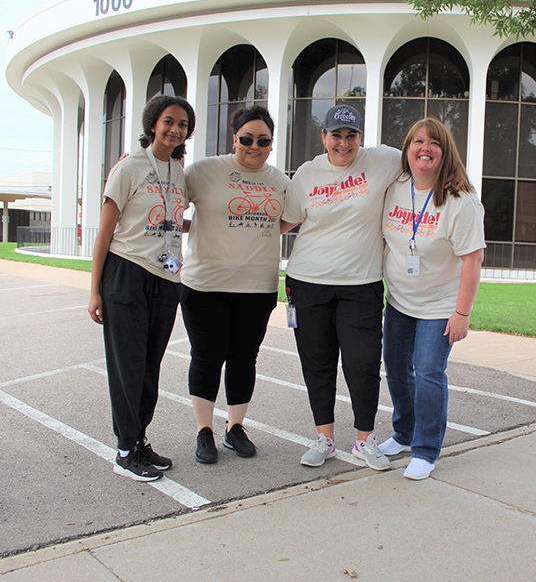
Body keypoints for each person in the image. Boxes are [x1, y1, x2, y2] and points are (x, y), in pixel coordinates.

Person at [281, 104, 403, 470]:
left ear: (360, 137)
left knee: (363, 362)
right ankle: (325, 438)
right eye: (336, 135)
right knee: (317, 362)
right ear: (324, 137)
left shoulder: (383, 160)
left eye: (351, 136)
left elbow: (424, 158)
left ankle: (365, 440)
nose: (344, 143)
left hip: (361, 283)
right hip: (308, 282)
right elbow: (285, 222)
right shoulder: (306, 174)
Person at [88, 95, 196, 482]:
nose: (175, 129)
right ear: (153, 124)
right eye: (169, 121)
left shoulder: (178, 172)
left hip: (166, 278)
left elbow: (167, 220)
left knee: (150, 366)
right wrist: (95, 290)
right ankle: (124, 449)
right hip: (127, 273)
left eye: (182, 124)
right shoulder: (129, 167)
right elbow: (105, 230)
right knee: (128, 368)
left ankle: (139, 440)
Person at [180, 105, 289, 464]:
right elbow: (167, 204)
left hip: (256, 288)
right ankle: (204, 430)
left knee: (244, 359)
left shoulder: (280, 182)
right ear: (235, 139)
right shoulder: (203, 172)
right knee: (207, 358)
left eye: (262, 140)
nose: (254, 145)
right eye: (246, 138)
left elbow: (288, 219)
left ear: (271, 144)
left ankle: (235, 428)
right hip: (205, 285)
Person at [378, 118, 485, 480]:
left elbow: (473, 259)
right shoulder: (396, 186)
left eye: (434, 142)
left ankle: (425, 449)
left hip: (440, 307)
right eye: (417, 141)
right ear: (406, 149)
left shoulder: (460, 201)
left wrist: (462, 313)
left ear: (445, 152)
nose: (425, 148)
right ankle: (404, 432)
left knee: (427, 371)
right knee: (395, 368)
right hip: (399, 301)